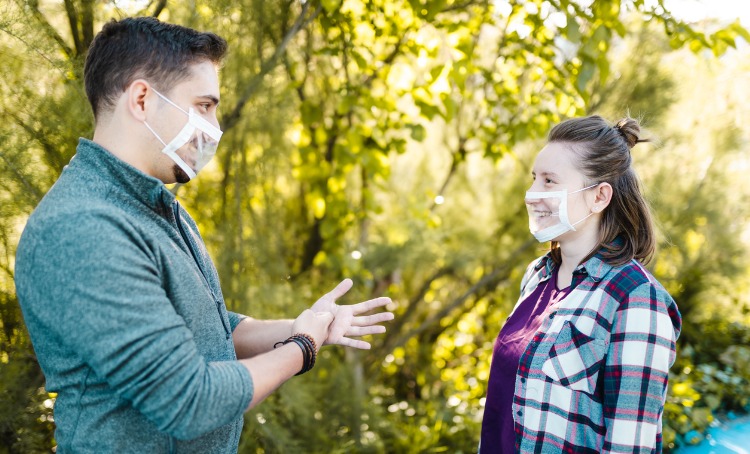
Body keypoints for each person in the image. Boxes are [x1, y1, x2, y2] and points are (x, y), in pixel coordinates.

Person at [14, 17, 393, 453]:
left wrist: (306, 326)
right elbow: (189, 402)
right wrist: (301, 348)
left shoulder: (156, 206)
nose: (214, 126)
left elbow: (211, 332)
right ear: (141, 99)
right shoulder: (84, 227)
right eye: (203, 105)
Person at [480, 116, 682, 453]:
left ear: (600, 197)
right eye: (534, 179)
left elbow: (629, 447)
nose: (532, 195)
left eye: (549, 181)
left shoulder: (635, 299)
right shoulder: (537, 276)